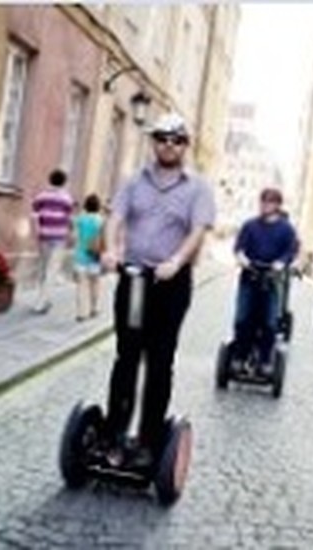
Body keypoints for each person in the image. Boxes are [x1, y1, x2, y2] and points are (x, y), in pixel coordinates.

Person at [105, 112, 215, 468]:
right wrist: (110, 249)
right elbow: (116, 217)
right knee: (127, 357)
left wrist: (178, 260)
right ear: (153, 142)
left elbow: (198, 229)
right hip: (135, 279)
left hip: (170, 284)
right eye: (162, 138)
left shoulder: (198, 187)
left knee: (160, 361)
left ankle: (149, 442)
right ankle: (114, 436)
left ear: (185, 145)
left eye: (176, 139)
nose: (168, 144)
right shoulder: (133, 180)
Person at [232, 187, 298, 375]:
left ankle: (265, 359)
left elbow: (290, 251)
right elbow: (239, 247)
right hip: (250, 275)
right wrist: (241, 258)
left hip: (271, 279)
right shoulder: (250, 225)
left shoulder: (286, 229)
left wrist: (280, 263)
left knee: (269, 322)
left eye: (268, 202)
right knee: (243, 319)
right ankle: (239, 355)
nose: (264, 205)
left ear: (277, 205)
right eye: (262, 201)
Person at [31, 169, 74, 313]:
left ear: (50, 179)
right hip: (59, 237)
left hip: (43, 236)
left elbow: (34, 215)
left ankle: (43, 299)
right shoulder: (67, 198)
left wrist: (37, 230)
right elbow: (69, 219)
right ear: (64, 182)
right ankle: (42, 301)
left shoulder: (41, 197)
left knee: (43, 268)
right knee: (52, 270)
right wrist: (70, 235)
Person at [72, 193, 105, 321]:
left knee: (81, 285)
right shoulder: (101, 220)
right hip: (95, 257)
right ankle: (94, 309)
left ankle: (81, 313)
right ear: (98, 206)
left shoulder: (80, 219)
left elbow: (74, 237)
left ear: (86, 205)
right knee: (95, 283)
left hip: (81, 256)